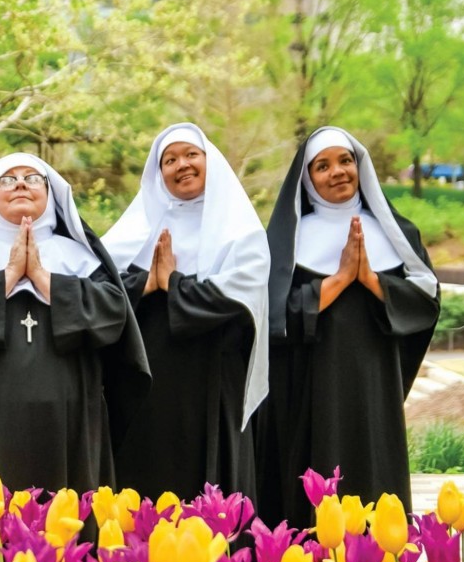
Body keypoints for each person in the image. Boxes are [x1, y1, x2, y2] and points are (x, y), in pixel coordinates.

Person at [0, 153, 149, 496]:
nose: (20, 183)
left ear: (51, 193)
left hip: (70, 419)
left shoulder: (81, 258)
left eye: (32, 178)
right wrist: (7, 276)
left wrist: (42, 277)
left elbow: (113, 317)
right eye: (6, 179)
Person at [256, 126, 439, 528]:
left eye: (345, 160)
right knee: (317, 483)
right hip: (312, 389)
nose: (337, 172)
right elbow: (270, 317)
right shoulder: (285, 243)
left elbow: (426, 301)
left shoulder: (396, 234)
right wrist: (337, 281)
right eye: (322, 166)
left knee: (376, 476)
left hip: (375, 387)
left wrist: (373, 280)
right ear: (307, 179)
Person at [102, 123, 270, 503]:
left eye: (191, 155)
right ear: (158, 173)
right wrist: (146, 284)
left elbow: (244, 298)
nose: (182, 165)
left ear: (210, 161)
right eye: (170, 159)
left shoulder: (241, 231)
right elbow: (99, 289)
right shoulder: (136, 229)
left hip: (212, 379)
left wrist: (174, 284)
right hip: (146, 382)